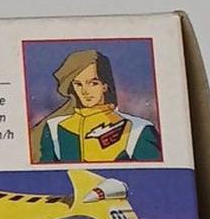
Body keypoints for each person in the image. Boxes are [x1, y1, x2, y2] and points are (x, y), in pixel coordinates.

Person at [31, 48, 161, 163]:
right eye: (78, 84)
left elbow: (157, 176)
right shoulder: (53, 129)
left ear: (105, 85)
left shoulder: (139, 130)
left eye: (93, 83)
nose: (85, 91)